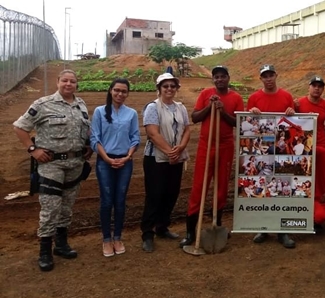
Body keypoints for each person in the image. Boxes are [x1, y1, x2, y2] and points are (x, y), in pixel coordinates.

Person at [13, 69, 93, 271]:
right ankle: (45, 251)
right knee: (50, 209)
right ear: (58, 82)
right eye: (64, 80)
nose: (68, 84)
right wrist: (33, 150)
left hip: (75, 164)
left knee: (66, 207)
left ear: (77, 84)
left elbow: (85, 131)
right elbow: (20, 127)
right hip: (51, 165)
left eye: (72, 81)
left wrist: (88, 146)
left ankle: (62, 244)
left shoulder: (81, 105)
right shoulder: (42, 104)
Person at [179, 66, 244, 248]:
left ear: (228, 78)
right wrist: (209, 106)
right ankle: (191, 231)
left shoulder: (236, 98)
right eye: (216, 77)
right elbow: (195, 117)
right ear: (213, 79)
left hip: (225, 145)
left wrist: (223, 112)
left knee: (221, 186)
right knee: (199, 186)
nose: (220, 79)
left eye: (223, 76)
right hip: (206, 145)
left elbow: (239, 123)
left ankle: (218, 224)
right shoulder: (205, 94)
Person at [247, 64, 296, 249]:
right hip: (264, 150)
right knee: (264, 187)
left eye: (271, 75)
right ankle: (263, 227)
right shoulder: (254, 97)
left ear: (276, 75)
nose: (268, 78)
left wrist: (292, 113)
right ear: (261, 78)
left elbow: (293, 124)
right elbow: (249, 125)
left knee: (281, 188)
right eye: (264, 76)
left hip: (282, 153)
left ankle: (283, 231)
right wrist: (251, 113)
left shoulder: (286, 96)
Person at [140, 73, 191, 252]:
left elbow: (186, 129)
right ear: (159, 89)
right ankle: (147, 233)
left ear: (176, 88)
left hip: (175, 157)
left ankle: (162, 227)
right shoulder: (153, 107)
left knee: (171, 193)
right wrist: (170, 152)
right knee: (155, 195)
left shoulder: (180, 108)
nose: (169, 89)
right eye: (165, 86)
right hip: (156, 158)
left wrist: (181, 147)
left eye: (172, 86)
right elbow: (153, 134)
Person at [90, 78, 140, 257]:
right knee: (106, 200)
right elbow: (95, 138)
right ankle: (106, 239)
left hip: (125, 162)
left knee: (120, 200)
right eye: (117, 90)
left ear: (127, 93)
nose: (120, 94)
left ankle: (117, 237)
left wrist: (127, 156)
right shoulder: (99, 112)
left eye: (124, 91)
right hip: (105, 161)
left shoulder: (131, 113)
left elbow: (135, 138)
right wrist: (107, 159)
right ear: (110, 91)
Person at [294, 76, 325, 148]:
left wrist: (322, 134)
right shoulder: (299, 103)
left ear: (323, 89)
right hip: (303, 143)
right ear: (309, 87)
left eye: (320, 86)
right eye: (314, 85)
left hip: (320, 144)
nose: (317, 88)